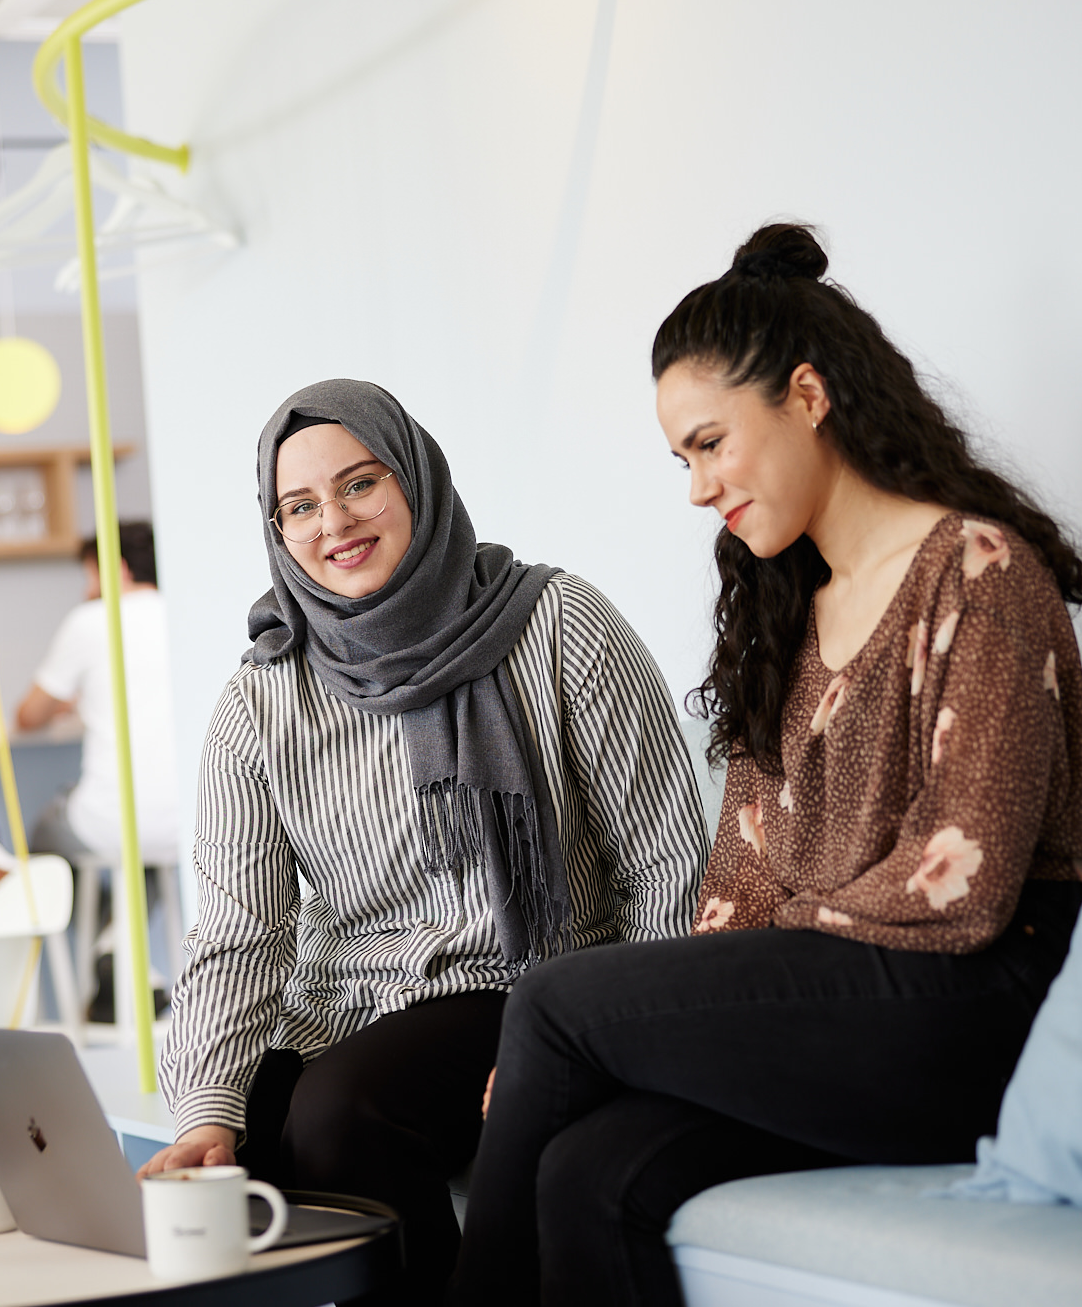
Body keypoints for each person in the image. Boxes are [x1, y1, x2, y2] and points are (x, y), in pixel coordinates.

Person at [452, 224, 1082, 1307]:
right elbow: (738, 886)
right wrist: (658, 1018)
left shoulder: (978, 571)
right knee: (587, 1171)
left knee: (551, 1004)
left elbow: (957, 884)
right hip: (857, 1015)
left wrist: (628, 1020)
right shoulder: (785, 616)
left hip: (989, 1012)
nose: (694, 488)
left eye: (709, 443)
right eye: (680, 459)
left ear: (807, 396)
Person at [137, 380, 712, 1305]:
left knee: (339, 1111)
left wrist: (625, 1053)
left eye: (360, 484)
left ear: (414, 479)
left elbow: (666, 863)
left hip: (528, 992)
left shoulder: (557, 624)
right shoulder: (263, 697)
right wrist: (207, 1112)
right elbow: (240, 928)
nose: (336, 521)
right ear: (277, 530)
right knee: (259, 1119)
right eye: (300, 506)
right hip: (349, 1007)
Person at [14, 523, 180, 1018]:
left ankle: (112, 948)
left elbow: (28, 717)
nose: (89, 587)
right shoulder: (184, 611)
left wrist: (71, 700)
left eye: (91, 573)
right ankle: (121, 950)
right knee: (140, 853)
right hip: (186, 824)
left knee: (48, 831)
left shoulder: (91, 620)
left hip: (112, 820)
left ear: (118, 569)